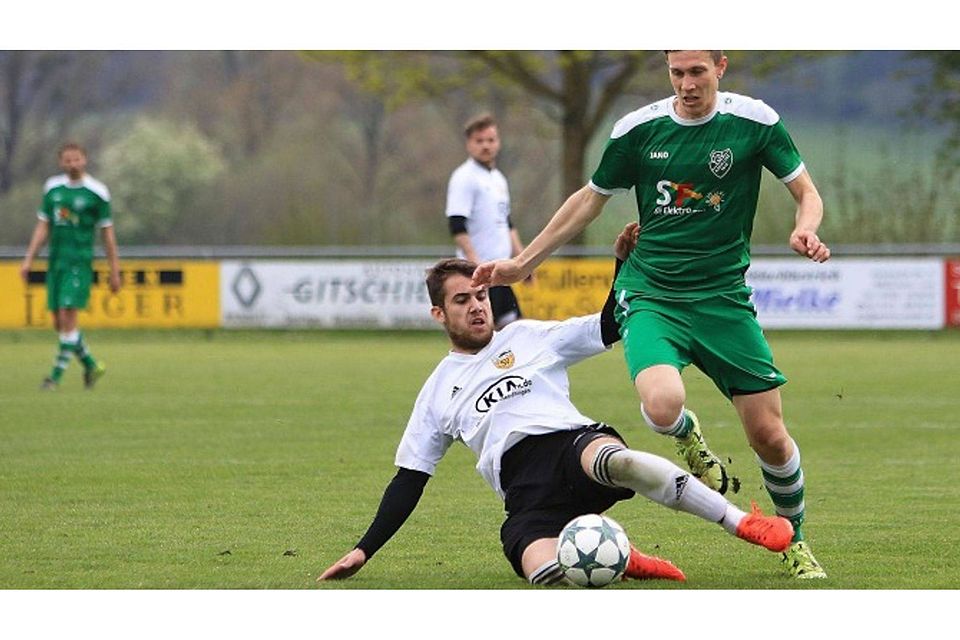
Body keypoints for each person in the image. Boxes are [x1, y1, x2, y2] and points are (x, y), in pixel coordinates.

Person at [471, 50, 829, 579]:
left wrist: (807, 227)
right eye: (677, 72)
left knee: (769, 436)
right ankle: (687, 436)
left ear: (720, 67)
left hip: (723, 299)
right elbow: (588, 201)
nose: (686, 84)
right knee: (662, 406)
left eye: (697, 72)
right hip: (652, 294)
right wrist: (523, 263)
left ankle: (794, 540)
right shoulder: (638, 130)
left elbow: (806, 191)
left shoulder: (755, 122)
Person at [319, 223, 794, 586]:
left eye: (481, 295)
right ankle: (622, 557)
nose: (478, 306)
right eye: (462, 300)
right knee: (547, 573)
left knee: (617, 460)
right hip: (524, 494)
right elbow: (410, 478)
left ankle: (741, 522)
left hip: (571, 448)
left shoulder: (528, 336)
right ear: (439, 315)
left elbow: (610, 325)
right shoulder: (438, 389)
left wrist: (622, 264)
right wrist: (363, 551)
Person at [20, 142, 121, 390]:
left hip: (80, 261)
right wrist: (29, 259)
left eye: (77, 159)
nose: (72, 164)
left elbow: (107, 234)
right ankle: (91, 365)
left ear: (84, 160)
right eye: (68, 160)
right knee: (59, 323)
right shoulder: (53, 189)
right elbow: (43, 226)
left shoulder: (97, 192)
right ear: (61, 162)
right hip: (56, 262)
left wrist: (114, 270)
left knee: (68, 315)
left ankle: (54, 377)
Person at [445, 113, 528, 329]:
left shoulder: (498, 179)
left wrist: (523, 260)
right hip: (479, 273)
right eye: (479, 141)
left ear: (498, 142)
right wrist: (475, 264)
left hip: (498, 271)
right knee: (488, 336)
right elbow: (456, 224)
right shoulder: (465, 177)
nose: (486, 146)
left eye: (490, 140)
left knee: (513, 333)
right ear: (469, 144)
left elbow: (506, 221)